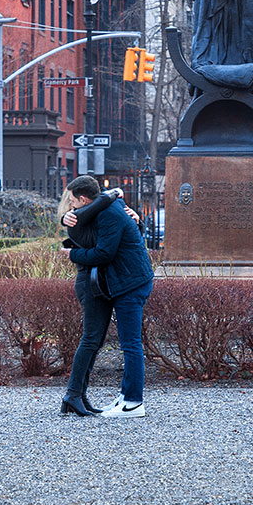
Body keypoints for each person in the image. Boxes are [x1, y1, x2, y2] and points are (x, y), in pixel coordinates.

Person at [57, 175, 155, 418]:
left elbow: (104, 251)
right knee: (95, 340)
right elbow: (87, 231)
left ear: (83, 198)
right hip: (104, 282)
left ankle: (130, 401)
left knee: (124, 343)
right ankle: (78, 396)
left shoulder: (107, 212)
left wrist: (71, 254)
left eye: (72, 201)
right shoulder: (97, 212)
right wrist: (66, 218)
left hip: (124, 282)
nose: (70, 206)